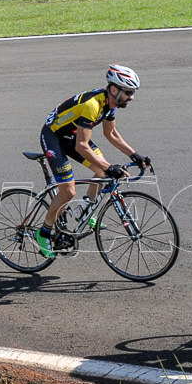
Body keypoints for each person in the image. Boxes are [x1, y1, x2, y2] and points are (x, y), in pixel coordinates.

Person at [35, 64, 150, 258]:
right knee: (68, 191)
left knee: (104, 173)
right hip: (54, 136)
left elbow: (111, 133)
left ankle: (84, 209)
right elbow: (82, 146)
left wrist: (134, 155)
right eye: (129, 93)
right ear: (115, 89)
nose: (132, 97)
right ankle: (43, 232)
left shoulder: (108, 104)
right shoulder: (92, 105)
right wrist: (109, 166)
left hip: (71, 135)